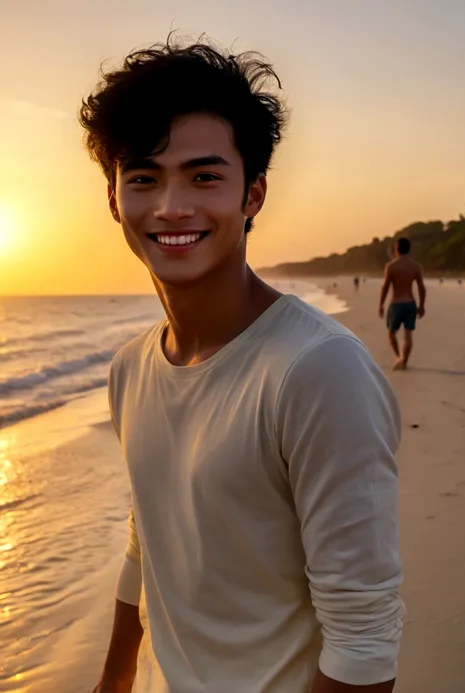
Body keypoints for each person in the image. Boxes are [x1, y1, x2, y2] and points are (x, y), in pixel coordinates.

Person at [80, 36, 404, 693]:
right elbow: (148, 547)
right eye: (143, 176)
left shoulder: (317, 371)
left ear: (253, 194)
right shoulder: (129, 370)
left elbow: (364, 640)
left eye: (204, 176)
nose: (172, 206)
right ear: (115, 198)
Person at [379, 237, 426, 370]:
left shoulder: (391, 266)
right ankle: (404, 362)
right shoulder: (415, 266)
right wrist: (422, 305)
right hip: (410, 303)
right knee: (408, 335)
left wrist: (381, 304)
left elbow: (386, 287)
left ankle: (399, 357)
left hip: (396, 304)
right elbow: (421, 287)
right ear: (409, 249)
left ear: (396, 249)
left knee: (391, 333)